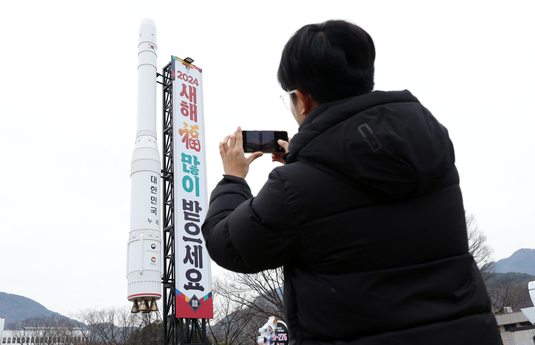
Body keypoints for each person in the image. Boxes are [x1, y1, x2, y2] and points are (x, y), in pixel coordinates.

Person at [202, 20, 500, 344]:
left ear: (302, 100)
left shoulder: (294, 189)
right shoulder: (429, 151)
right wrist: (305, 164)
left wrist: (233, 177)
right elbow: (358, 195)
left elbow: (228, 245)